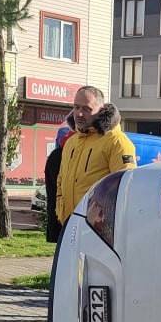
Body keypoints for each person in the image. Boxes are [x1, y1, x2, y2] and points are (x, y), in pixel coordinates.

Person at [54, 86, 137, 227]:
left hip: (99, 229)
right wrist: (59, 205)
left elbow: (125, 187)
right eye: (76, 107)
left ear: (101, 111)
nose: (79, 114)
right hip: (69, 225)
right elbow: (61, 179)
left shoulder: (117, 142)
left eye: (86, 109)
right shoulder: (71, 142)